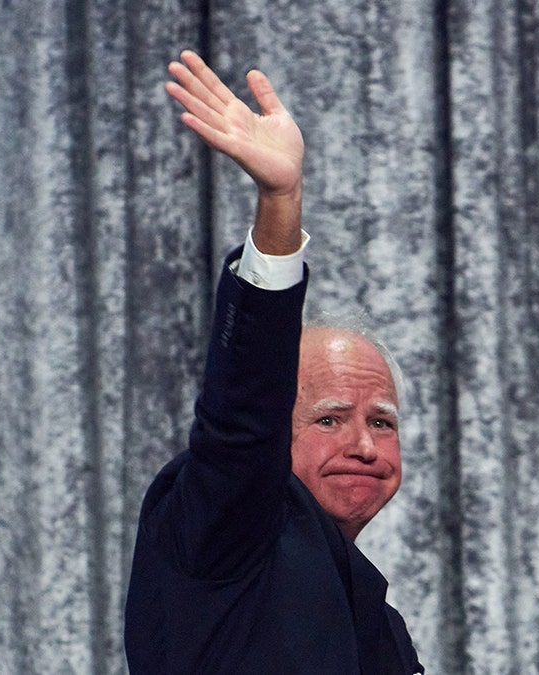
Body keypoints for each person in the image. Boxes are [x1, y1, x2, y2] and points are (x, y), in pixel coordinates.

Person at [124, 50, 423, 674]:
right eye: (330, 418)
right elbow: (240, 421)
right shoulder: (224, 532)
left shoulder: (377, 617)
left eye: (383, 423)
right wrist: (281, 203)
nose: (366, 446)